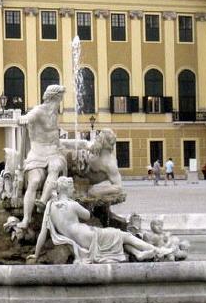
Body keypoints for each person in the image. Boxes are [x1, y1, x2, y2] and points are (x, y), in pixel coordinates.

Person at [28, 177, 172, 264]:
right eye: (72, 188)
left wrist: (36, 253)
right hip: (89, 235)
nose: (74, 191)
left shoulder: (50, 205)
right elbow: (87, 216)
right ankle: (158, 250)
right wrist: (77, 201)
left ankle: (139, 253)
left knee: (119, 239)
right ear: (68, 189)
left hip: (81, 239)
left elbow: (42, 233)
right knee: (125, 235)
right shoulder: (72, 204)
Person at [16, 85, 68, 231]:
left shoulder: (54, 114)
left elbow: (55, 137)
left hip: (53, 152)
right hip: (37, 152)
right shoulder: (38, 111)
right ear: (53, 98)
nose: (60, 103)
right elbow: (26, 118)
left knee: (55, 167)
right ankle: (26, 218)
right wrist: (23, 119)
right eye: (59, 99)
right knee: (34, 181)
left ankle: (43, 202)